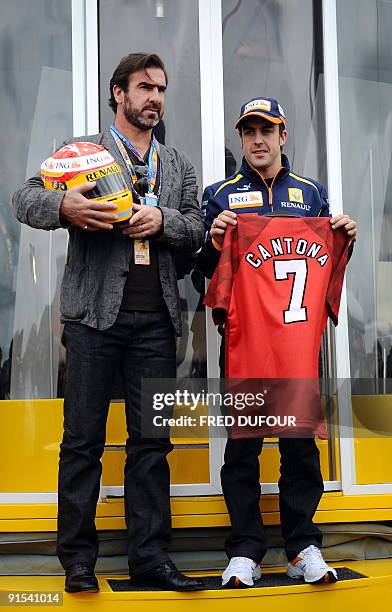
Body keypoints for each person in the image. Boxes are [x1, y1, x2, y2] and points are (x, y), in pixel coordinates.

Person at [12, 52, 205, 593]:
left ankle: (150, 560)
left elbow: (196, 227)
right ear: (118, 93)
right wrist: (65, 209)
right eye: (144, 88)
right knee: (83, 442)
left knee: (152, 445)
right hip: (93, 319)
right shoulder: (85, 153)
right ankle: (77, 562)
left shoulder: (179, 165)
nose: (155, 99)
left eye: (161, 90)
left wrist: (165, 220)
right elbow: (24, 198)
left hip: (157, 323)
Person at [198, 97, 357, 588]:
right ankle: (244, 549)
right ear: (242, 139)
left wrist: (344, 238)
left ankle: (301, 545)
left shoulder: (311, 194)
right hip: (244, 342)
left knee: (299, 443)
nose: (257, 140)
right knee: (243, 448)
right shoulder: (220, 194)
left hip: (293, 345)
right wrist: (214, 241)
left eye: (266, 130)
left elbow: (323, 263)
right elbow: (202, 272)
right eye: (248, 132)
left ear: (283, 135)